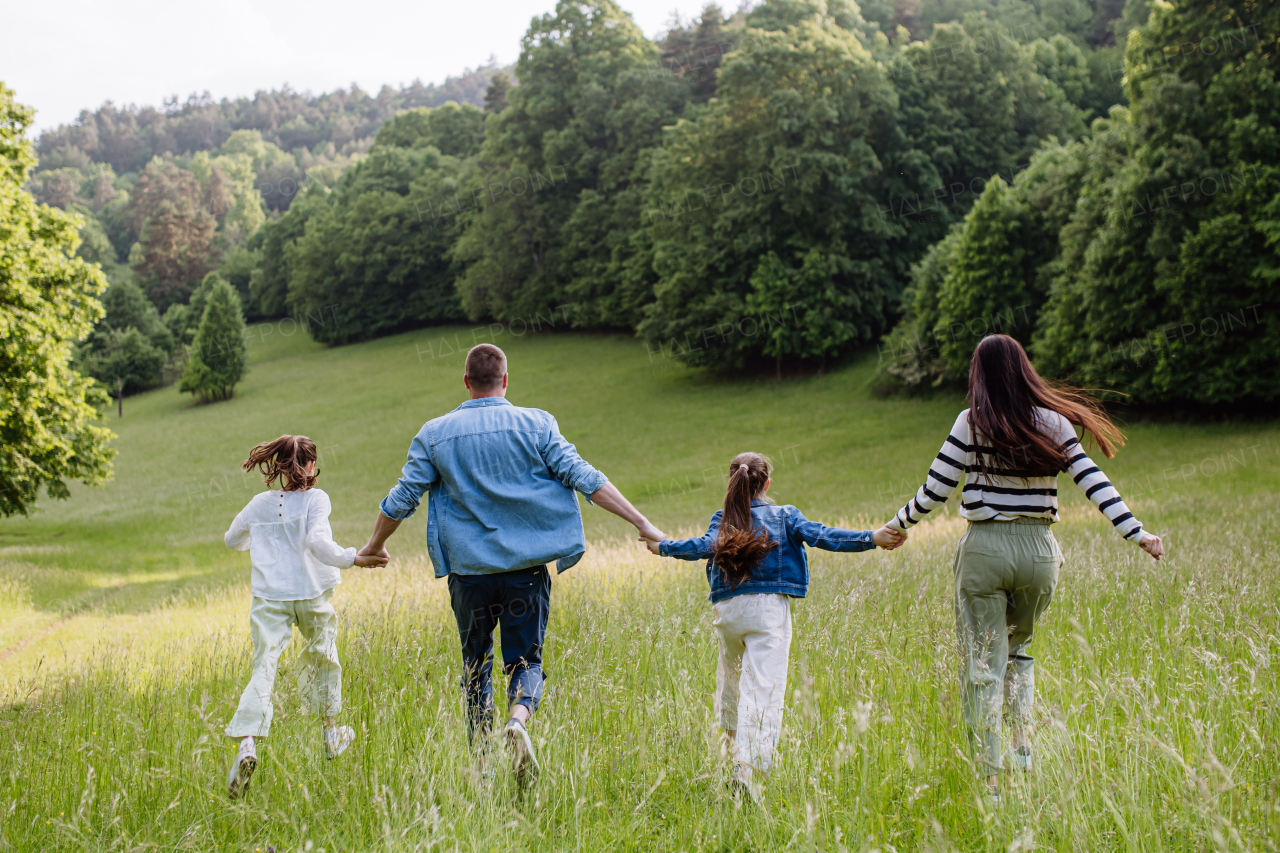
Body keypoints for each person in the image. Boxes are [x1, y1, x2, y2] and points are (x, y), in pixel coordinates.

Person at [360, 343, 665, 786]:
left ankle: (483, 767)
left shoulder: (435, 433)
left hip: (470, 577)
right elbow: (585, 477)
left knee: (475, 664)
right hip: (525, 574)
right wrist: (642, 523)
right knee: (526, 661)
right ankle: (518, 721)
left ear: (466, 382)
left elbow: (403, 498)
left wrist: (374, 545)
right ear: (506, 380)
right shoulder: (537, 423)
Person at [884, 335, 1163, 805]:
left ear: (980, 374)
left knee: (982, 666)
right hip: (1038, 554)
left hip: (986, 552)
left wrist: (898, 525)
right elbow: (1094, 481)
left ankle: (990, 784)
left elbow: (935, 488)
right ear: (1023, 369)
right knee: (1018, 652)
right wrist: (1137, 533)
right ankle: (1022, 754)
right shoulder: (1053, 422)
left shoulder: (971, 422)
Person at [646, 452, 905, 802]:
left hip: (728, 611)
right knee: (763, 691)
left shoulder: (723, 518)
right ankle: (745, 772)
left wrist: (662, 546)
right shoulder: (785, 516)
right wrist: (871, 537)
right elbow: (822, 536)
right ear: (766, 484)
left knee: (731, 683)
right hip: (767, 612)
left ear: (732, 481)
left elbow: (702, 547)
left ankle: (728, 757)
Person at [222, 435, 387, 800]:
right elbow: (316, 541)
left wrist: (263, 540)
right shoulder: (317, 498)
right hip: (310, 594)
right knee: (324, 658)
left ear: (277, 465)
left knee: (263, 665)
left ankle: (248, 744)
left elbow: (232, 539)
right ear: (311, 466)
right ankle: (330, 734)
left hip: (270, 598)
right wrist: (354, 558)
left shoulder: (258, 504)